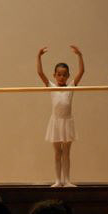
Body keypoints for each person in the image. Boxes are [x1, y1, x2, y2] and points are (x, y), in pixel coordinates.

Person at [36, 45, 84, 187]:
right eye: (59, 74)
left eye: (64, 74)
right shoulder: (51, 86)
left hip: (67, 122)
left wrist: (79, 55)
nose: (62, 77)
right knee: (57, 153)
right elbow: (40, 73)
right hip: (56, 122)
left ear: (68, 76)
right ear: (55, 75)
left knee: (66, 153)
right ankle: (58, 180)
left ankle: (67, 180)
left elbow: (82, 71)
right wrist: (38, 56)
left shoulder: (71, 86)